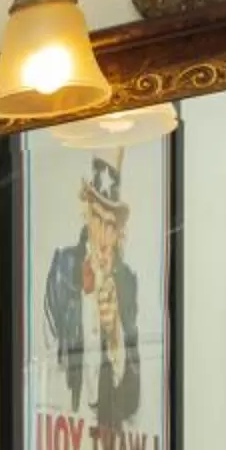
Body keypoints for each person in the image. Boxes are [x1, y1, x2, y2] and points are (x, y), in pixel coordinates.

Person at [42, 155, 142, 432]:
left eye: (112, 225)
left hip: (106, 431)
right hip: (64, 419)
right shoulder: (63, 267)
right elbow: (46, 351)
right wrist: (85, 297)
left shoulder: (127, 283)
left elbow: (133, 392)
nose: (103, 233)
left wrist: (115, 336)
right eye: (98, 218)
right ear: (87, 215)